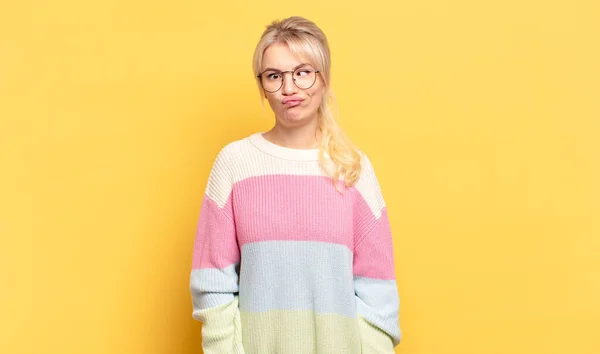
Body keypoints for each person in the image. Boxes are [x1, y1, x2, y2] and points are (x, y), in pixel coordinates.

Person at [190, 16, 401, 354]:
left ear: (324, 78)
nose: (289, 89)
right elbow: (213, 281)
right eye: (275, 76)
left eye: (302, 72)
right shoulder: (234, 164)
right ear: (262, 86)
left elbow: (378, 292)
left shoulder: (353, 169)